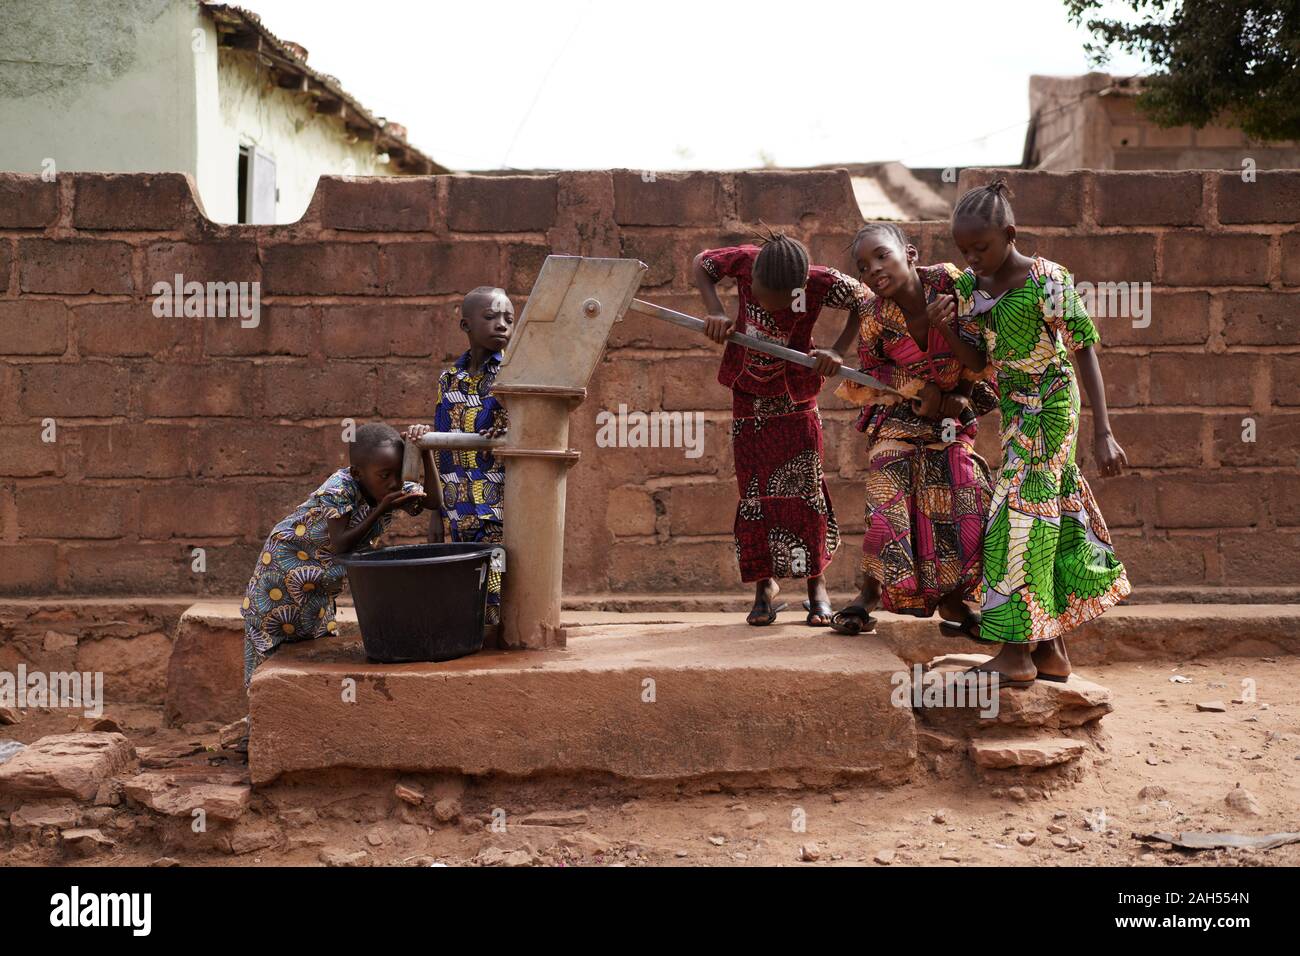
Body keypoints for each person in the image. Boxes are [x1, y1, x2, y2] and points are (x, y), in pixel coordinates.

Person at [938, 179, 1131, 686]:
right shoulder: (969, 290)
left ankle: (1015, 653)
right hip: (1014, 410)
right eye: (963, 250)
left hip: (1052, 408)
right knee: (1044, 519)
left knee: (1014, 519)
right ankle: (1051, 651)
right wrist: (943, 330)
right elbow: (978, 362)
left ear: (1010, 234)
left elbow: (1084, 350)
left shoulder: (1048, 280)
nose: (972, 257)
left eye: (980, 247)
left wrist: (1103, 432)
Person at [692, 229, 868, 627]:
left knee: (805, 490)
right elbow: (702, 264)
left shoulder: (821, 283)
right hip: (747, 396)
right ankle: (764, 587)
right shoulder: (744, 261)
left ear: (798, 291)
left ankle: (816, 586)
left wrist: (838, 350)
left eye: (776, 299)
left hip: (796, 398)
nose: (763, 301)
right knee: (754, 492)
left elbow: (864, 299)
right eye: (756, 291)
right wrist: (716, 310)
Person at [830, 223, 997, 638]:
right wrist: (917, 388)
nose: (873, 271)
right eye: (863, 267)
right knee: (888, 484)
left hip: (954, 415)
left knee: (965, 487)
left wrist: (959, 392)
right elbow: (871, 371)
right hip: (900, 415)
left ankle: (955, 597)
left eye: (882, 256)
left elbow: (986, 339)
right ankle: (868, 594)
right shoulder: (871, 315)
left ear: (911, 253)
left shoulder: (951, 284)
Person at [242, 422, 433, 685]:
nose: (393, 483)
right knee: (268, 666)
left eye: (398, 474)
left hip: (316, 588)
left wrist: (426, 452)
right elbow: (340, 544)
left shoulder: (391, 485)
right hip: (281, 573)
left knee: (314, 658)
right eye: (384, 475)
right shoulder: (339, 488)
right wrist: (380, 509)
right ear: (357, 473)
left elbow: (434, 502)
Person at [405, 286, 513, 629]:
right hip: (456, 506)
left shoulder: (512, 376)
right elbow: (440, 447)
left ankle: (492, 649)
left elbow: (526, 428)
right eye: (491, 317)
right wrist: (435, 515)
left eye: (509, 319)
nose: (501, 325)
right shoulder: (449, 379)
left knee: (494, 589)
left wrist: (509, 422)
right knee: (464, 584)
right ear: (466, 326)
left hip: (499, 508)